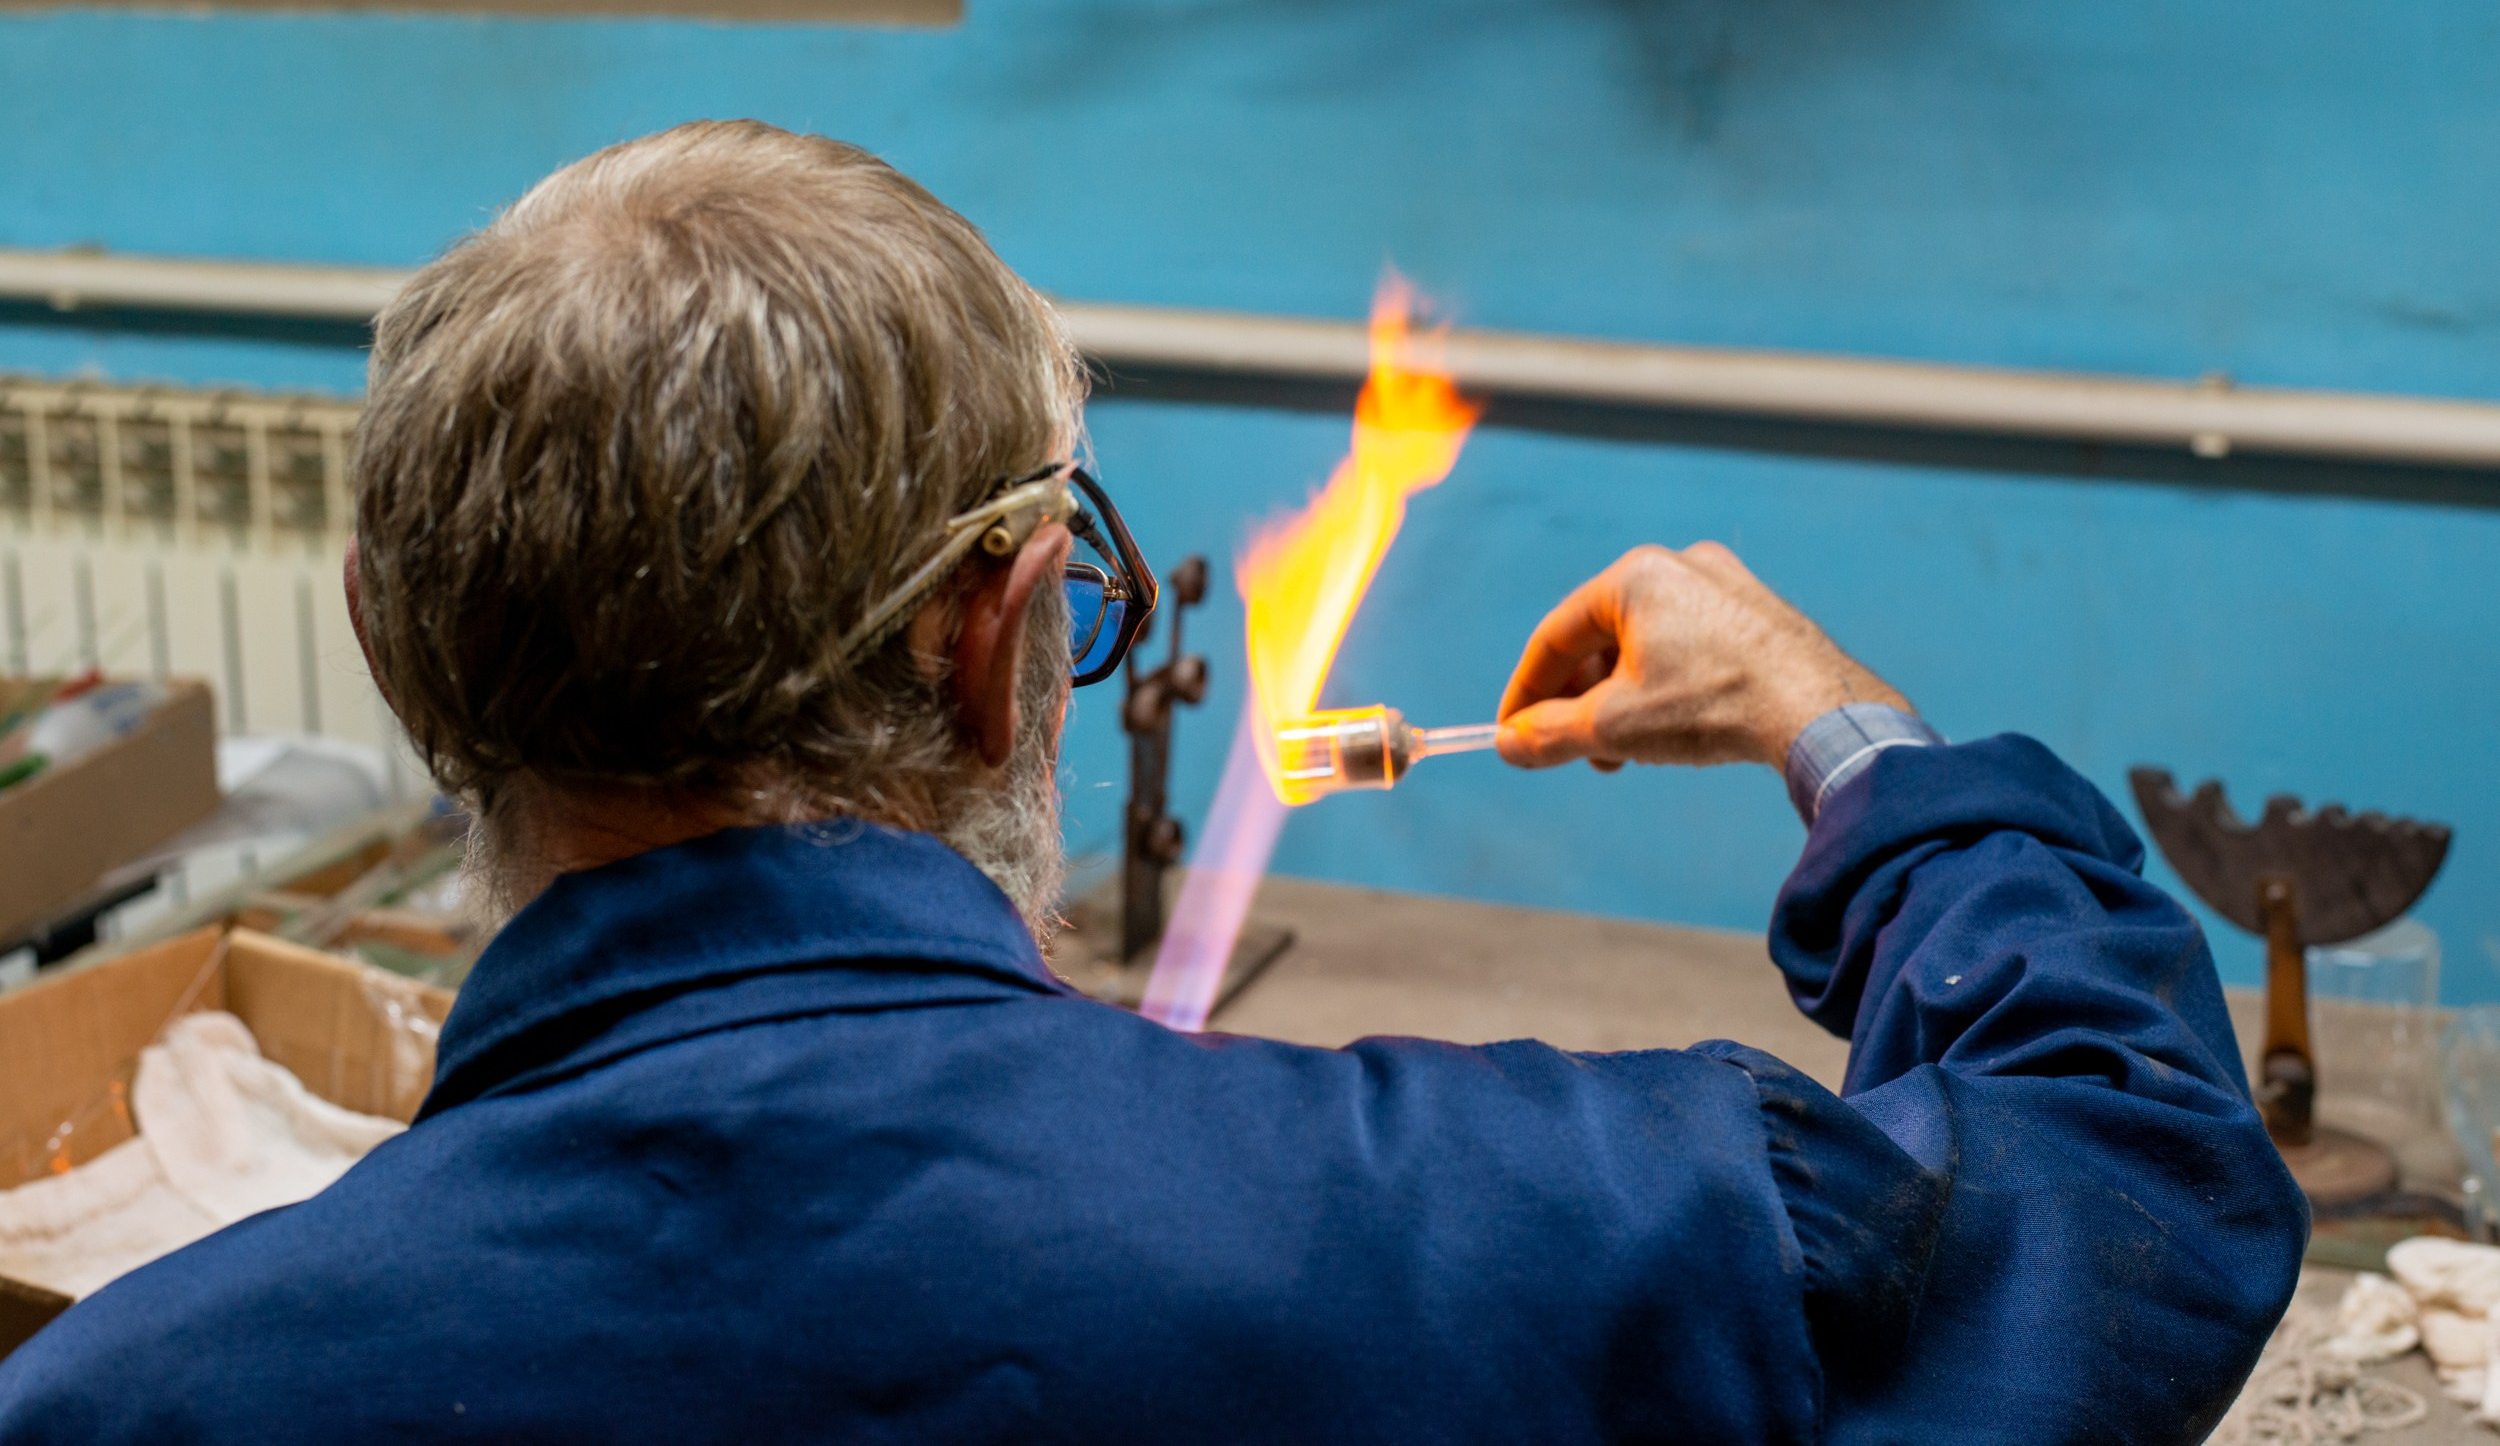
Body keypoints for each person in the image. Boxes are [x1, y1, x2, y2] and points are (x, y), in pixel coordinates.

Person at [0, 121, 2303, 1444]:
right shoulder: (1536, 1234)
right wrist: (1840, 733)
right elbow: (2127, 1193)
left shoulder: (130, 1403)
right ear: (997, 643)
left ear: (389, 638)